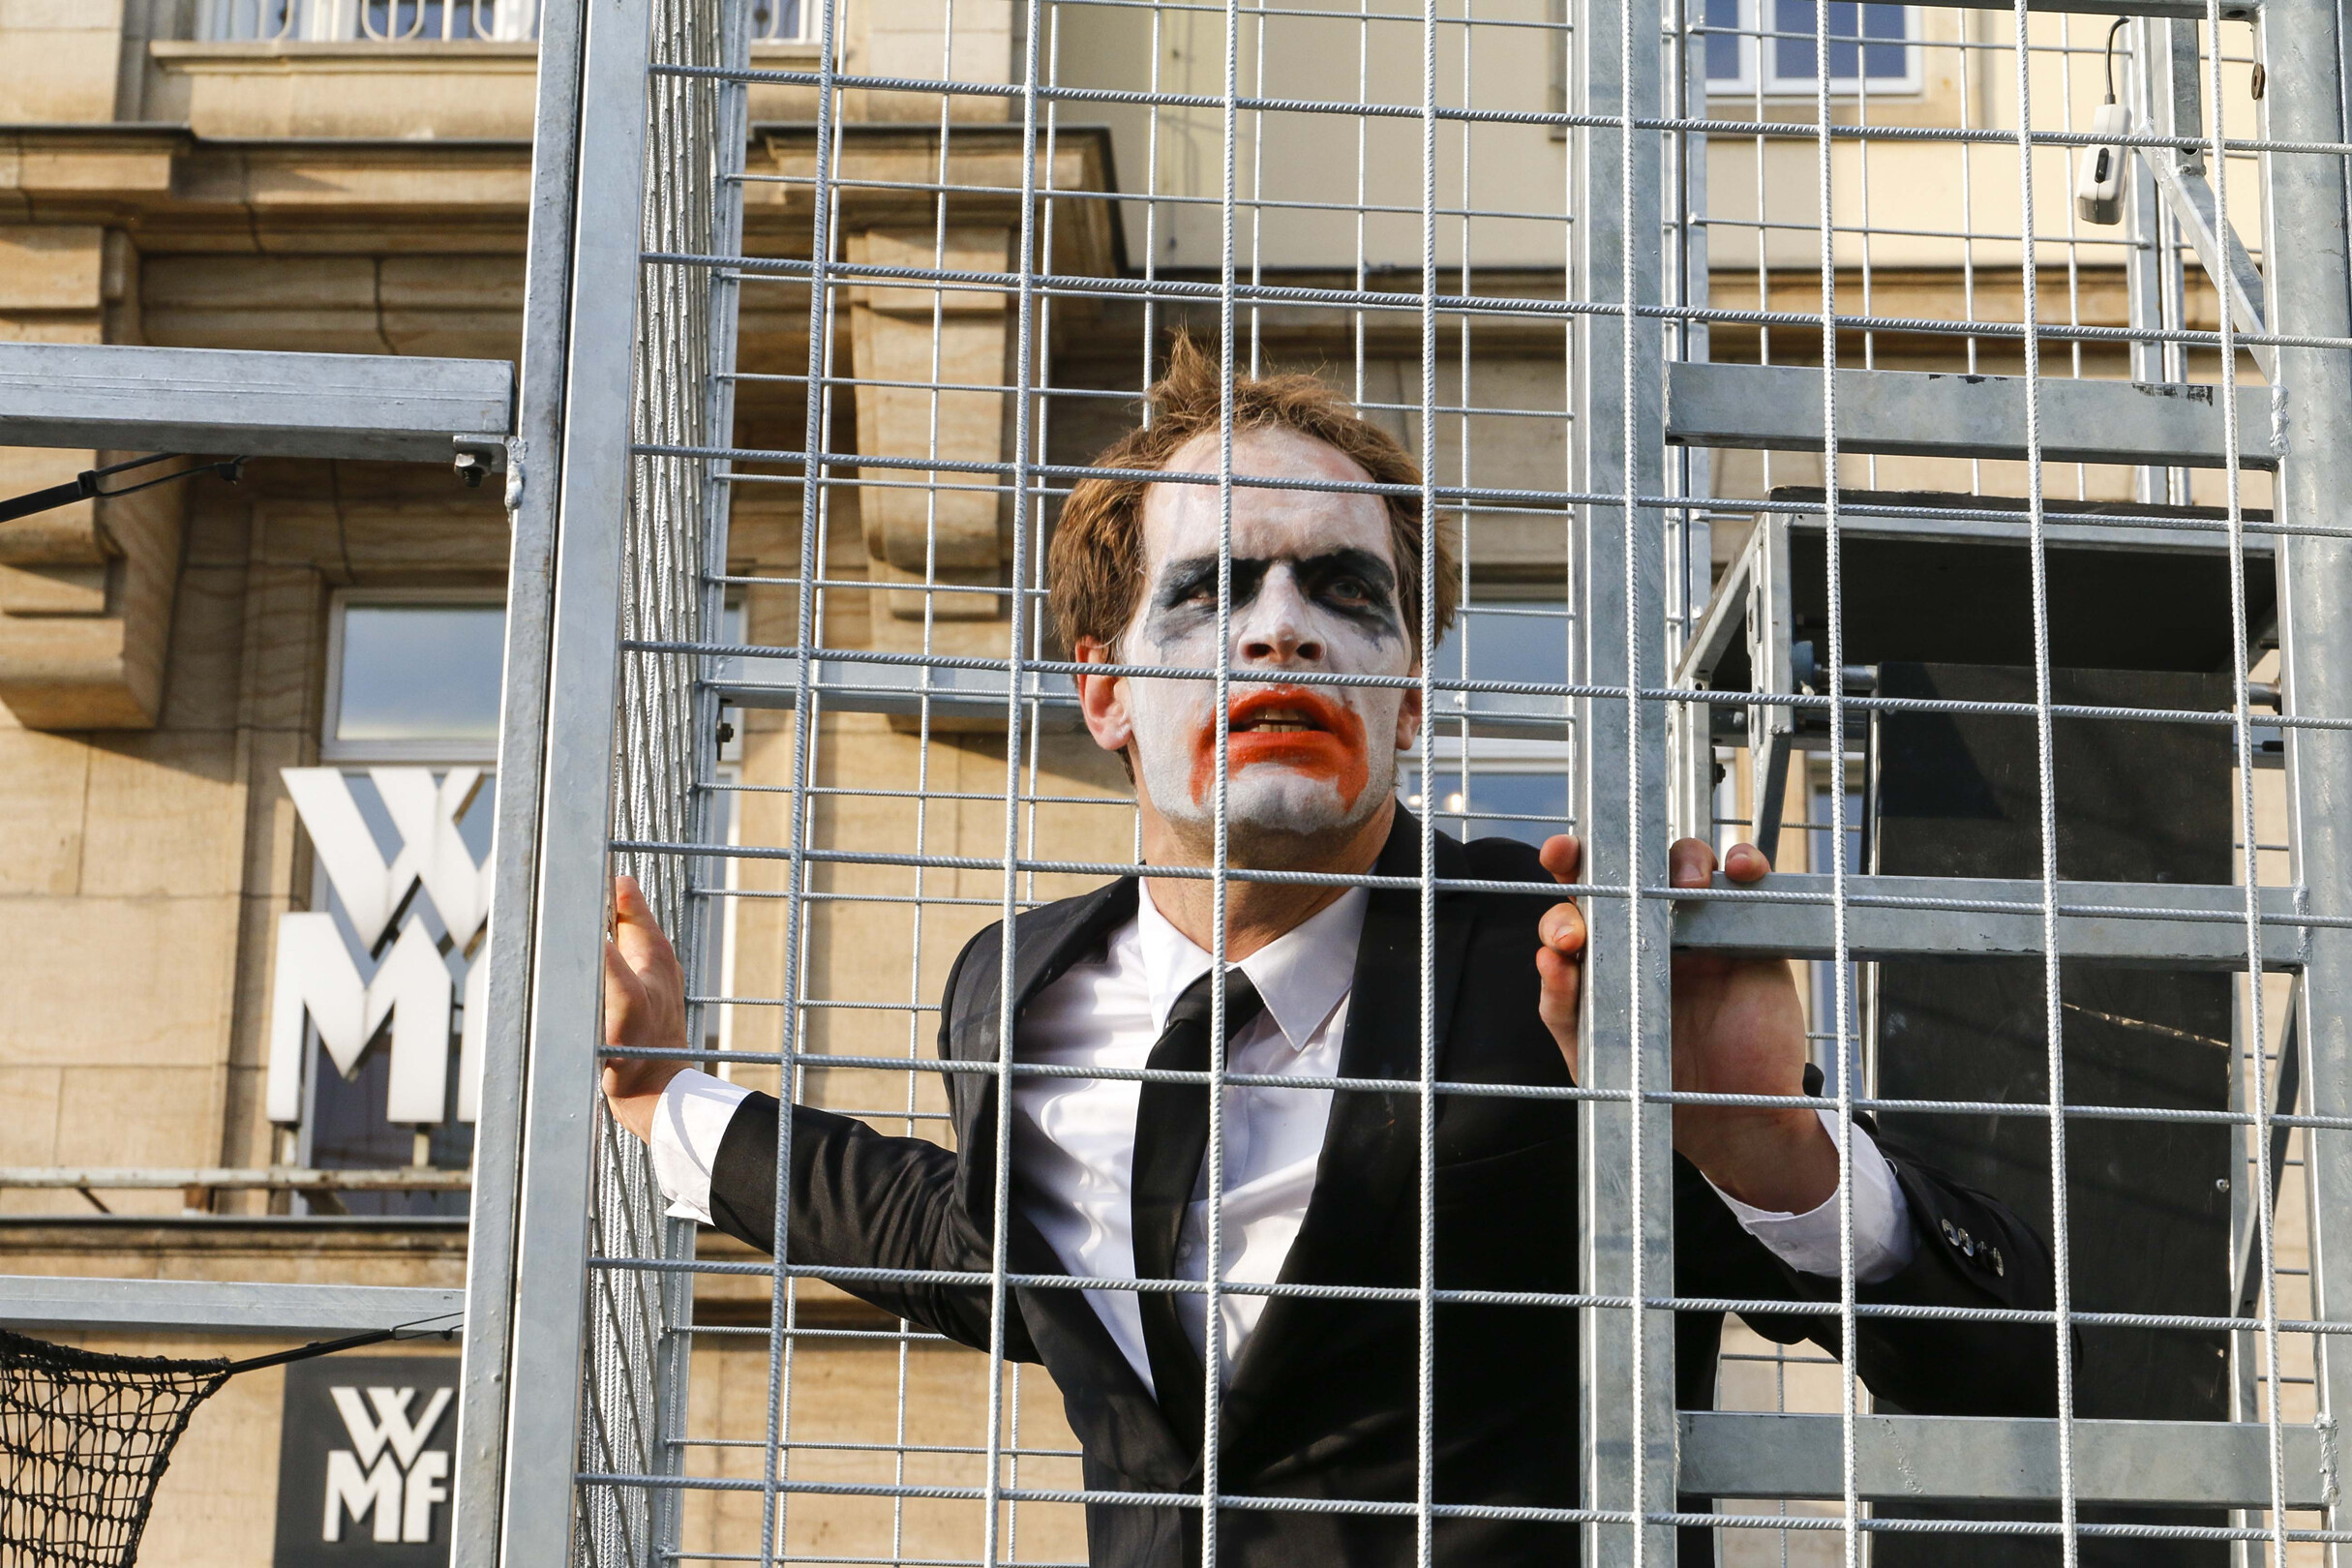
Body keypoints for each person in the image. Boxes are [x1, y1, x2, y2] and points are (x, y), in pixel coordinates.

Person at [600, 339, 2058, 1567]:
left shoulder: (1572, 966)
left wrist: (1766, 1146)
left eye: (1345, 592)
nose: (1282, 633)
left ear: (1409, 694)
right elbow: (977, 1244)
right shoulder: (1015, 987)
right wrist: (666, 1097)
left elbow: (2008, 1365)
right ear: (1104, 692)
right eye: (1211, 590)